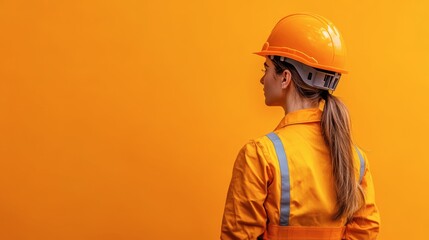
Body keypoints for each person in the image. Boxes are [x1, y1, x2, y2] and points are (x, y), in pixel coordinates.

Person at [220, 13, 380, 240]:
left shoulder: (260, 155)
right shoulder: (355, 159)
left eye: (265, 68)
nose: (262, 79)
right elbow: (366, 231)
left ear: (285, 77)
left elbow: (239, 235)